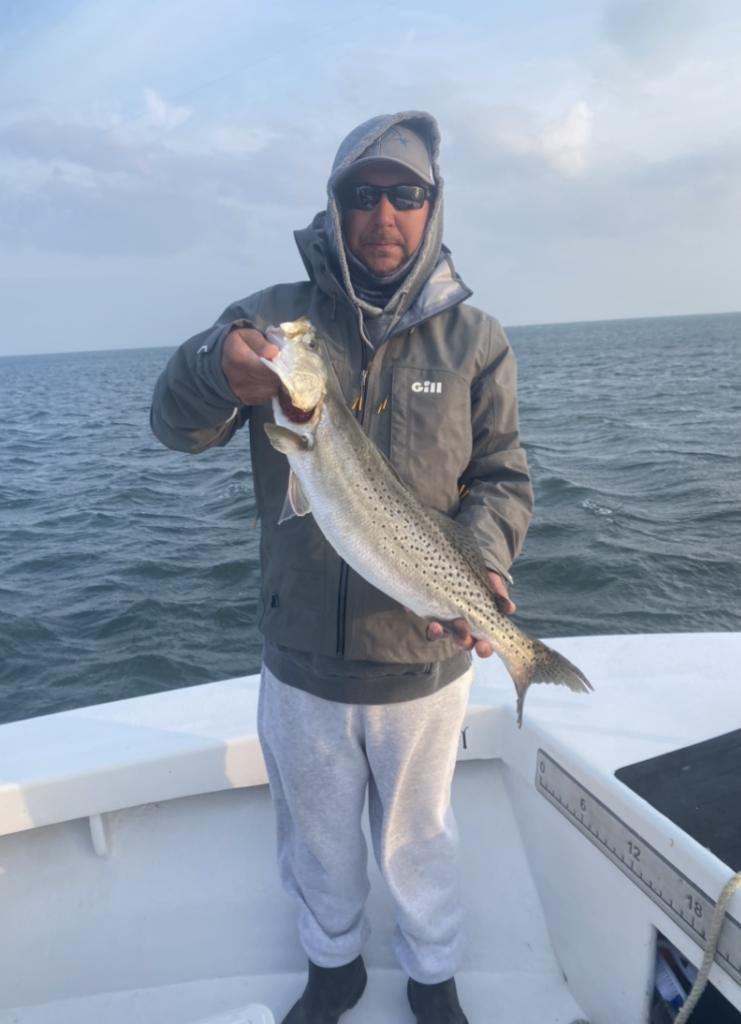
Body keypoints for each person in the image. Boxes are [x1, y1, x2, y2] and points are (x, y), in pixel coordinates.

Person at [151, 112, 533, 1024]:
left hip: (424, 657)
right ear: (333, 208)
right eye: (361, 195)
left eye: (405, 193)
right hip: (301, 665)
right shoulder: (275, 323)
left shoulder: (475, 341)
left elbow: (500, 479)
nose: (383, 213)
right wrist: (218, 365)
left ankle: (432, 974)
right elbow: (175, 423)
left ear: (433, 207)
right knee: (317, 840)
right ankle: (334, 969)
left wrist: (476, 570)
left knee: (420, 840)